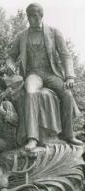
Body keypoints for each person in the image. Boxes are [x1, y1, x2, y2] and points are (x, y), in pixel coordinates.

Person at [6, 2, 83, 150]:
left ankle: (69, 135)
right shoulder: (21, 36)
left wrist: (70, 76)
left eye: (34, 16)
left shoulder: (54, 32)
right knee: (30, 93)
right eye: (29, 16)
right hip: (33, 74)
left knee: (67, 94)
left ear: (41, 15)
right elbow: (11, 56)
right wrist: (10, 64)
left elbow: (66, 55)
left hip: (51, 73)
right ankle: (32, 138)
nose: (31, 19)